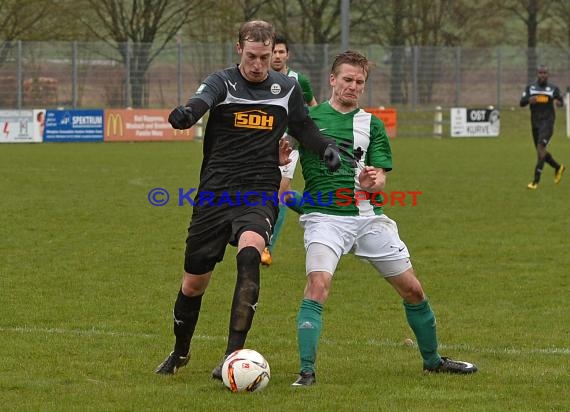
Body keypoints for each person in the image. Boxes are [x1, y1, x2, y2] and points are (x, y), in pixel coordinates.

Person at [154, 20, 341, 380]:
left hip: (258, 191)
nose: (258, 64)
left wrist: (326, 148)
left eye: (266, 57)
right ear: (239, 49)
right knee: (194, 283)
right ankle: (180, 351)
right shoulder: (221, 82)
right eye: (252, 56)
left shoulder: (286, 88)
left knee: (250, 255)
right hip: (214, 194)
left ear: (274, 53)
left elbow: (303, 127)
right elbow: (200, 102)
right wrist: (186, 115)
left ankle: (231, 357)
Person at [291, 50, 478, 387]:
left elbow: (379, 178)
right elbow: (282, 155)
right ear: (332, 79)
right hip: (324, 219)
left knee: (413, 290)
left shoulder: (372, 124)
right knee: (318, 286)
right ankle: (306, 372)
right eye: (347, 79)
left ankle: (433, 361)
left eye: (359, 82)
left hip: (367, 218)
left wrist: (374, 182)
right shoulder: (307, 120)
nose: (353, 86)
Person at [261, 35, 318, 266]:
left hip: (290, 144)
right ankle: (323, 211)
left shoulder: (298, 80)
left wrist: (310, 134)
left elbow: (314, 107)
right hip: (264, 145)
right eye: (273, 52)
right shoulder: (260, 79)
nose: (277, 56)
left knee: (278, 194)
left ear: (287, 55)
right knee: (281, 195)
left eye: (281, 52)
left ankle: (266, 248)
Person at [520, 64, 565, 190]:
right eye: (540, 72)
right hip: (535, 124)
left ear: (548, 74)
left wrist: (558, 102)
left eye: (545, 73)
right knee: (541, 152)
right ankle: (558, 167)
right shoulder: (531, 88)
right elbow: (521, 103)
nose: (543, 75)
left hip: (548, 122)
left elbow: (561, 102)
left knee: (540, 148)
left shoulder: (553, 88)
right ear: (537, 74)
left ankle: (535, 181)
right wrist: (529, 100)